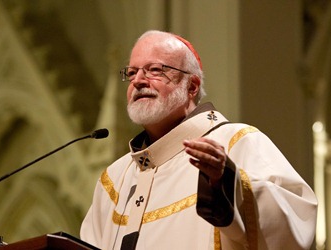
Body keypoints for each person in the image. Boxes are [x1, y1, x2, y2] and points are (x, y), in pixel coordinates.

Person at [80, 30, 318, 250]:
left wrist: (226, 183)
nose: (138, 81)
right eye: (131, 73)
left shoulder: (238, 142)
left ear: (191, 86)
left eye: (154, 70)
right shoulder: (114, 179)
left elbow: (296, 221)